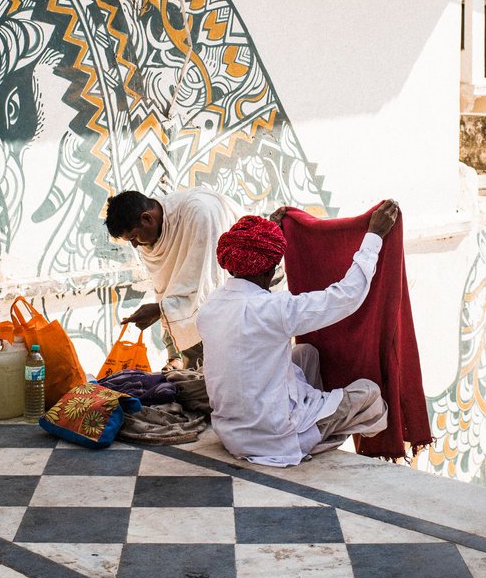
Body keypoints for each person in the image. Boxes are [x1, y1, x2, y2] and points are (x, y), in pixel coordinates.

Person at [197, 199, 398, 466]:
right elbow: (346, 296)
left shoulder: (211, 306)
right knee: (369, 393)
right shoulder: (273, 309)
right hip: (275, 438)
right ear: (270, 269)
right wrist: (374, 236)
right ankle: (317, 436)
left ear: (231, 264)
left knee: (306, 353)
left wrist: (274, 228)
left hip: (230, 433)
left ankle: (311, 413)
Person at [105, 187, 240, 369]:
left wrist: (160, 310)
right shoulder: (151, 236)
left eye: (134, 237)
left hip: (243, 290)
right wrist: (172, 352)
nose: (135, 245)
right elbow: (169, 291)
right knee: (195, 379)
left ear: (147, 218)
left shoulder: (199, 213)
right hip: (204, 312)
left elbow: (207, 288)